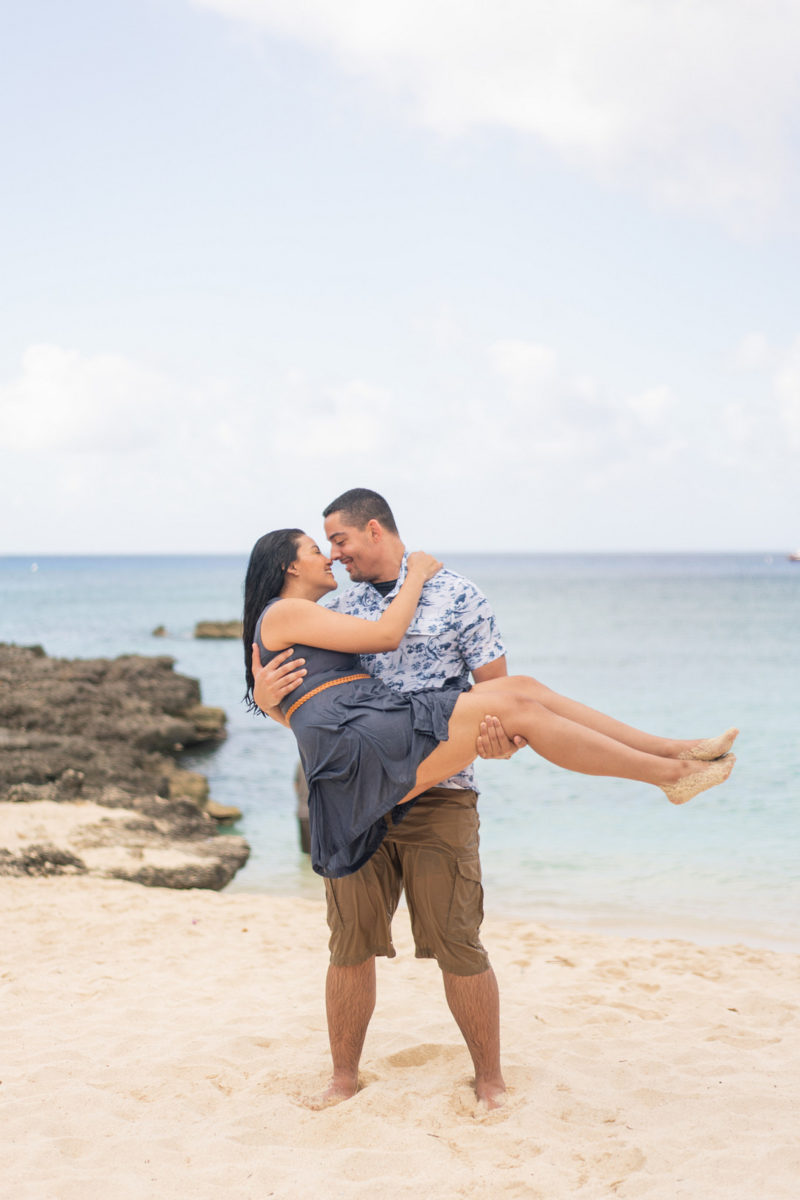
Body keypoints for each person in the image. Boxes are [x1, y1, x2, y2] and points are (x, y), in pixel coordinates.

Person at [246, 491, 738, 1109]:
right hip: (368, 762)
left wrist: (500, 745)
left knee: (522, 700)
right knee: (349, 948)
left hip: (431, 777)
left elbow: (497, 695)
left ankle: (675, 756)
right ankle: (342, 1078)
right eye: (322, 549)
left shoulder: (461, 596)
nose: (334, 556)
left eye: (338, 542)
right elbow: (317, 702)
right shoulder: (330, 605)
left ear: (373, 529)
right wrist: (266, 700)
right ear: (295, 566)